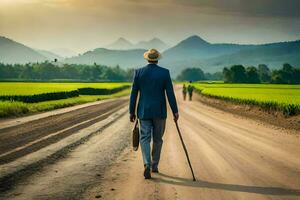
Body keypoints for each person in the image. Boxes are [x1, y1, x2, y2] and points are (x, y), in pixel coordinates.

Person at [129, 48, 179, 179]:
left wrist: (131, 112)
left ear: (147, 59)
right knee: (158, 139)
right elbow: (170, 94)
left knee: (144, 138)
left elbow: (133, 94)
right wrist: (175, 111)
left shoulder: (138, 72)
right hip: (160, 112)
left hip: (144, 111)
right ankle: (154, 165)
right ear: (157, 59)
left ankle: (147, 164)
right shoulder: (164, 73)